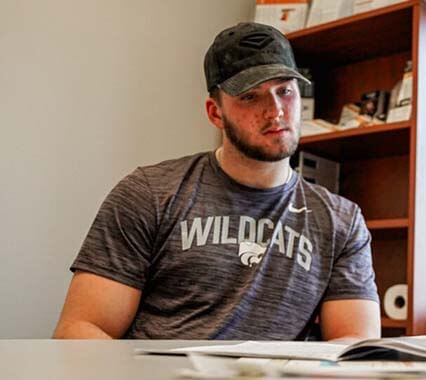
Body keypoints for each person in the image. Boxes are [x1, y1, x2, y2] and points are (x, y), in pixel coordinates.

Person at [52, 22, 380, 341]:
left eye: (285, 91)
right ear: (215, 112)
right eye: (251, 97)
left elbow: (354, 345)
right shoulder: (149, 194)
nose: (276, 111)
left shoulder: (341, 221)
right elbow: (81, 330)